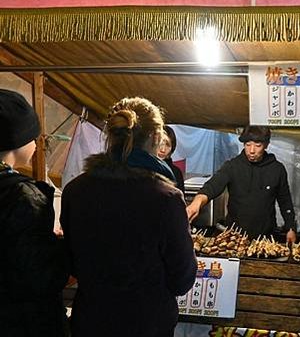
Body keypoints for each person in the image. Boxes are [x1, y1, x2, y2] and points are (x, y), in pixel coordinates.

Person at [61, 97, 197, 337]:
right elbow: (182, 278)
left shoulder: (75, 190)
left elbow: (70, 261)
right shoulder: (166, 198)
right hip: (147, 324)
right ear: (156, 138)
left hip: (91, 321)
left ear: (111, 135)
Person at [0, 89, 69, 337]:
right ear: (18, 141)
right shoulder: (23, 196)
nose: (37, 143)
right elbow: (39, 275)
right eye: (34, 137)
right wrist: (61, 248)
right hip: (22, 321)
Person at [187, 125, 297, 243]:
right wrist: (197, 202)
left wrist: (290, 228)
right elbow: (212, 186)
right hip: (234, 238)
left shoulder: (277, 169)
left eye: (257, 145)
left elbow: (285, 201)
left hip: (265, 238)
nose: (252, 150)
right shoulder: (232, 166)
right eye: (248, 145)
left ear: (266, 145)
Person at [157, 125, 185, 194]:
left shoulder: (176, 172)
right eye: (160, 144)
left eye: (167, 145)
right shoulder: (143, 168)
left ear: (172, 147)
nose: (163, 150)